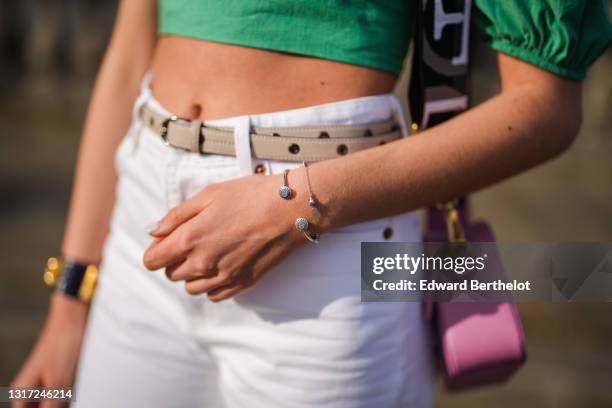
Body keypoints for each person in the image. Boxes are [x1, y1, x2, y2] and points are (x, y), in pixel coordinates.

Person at [11, 1, 611, 407]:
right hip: (141, 232)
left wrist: (296, 206)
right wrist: (69, 311)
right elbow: (128, 53)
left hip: (332, 256)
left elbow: (546, 108)